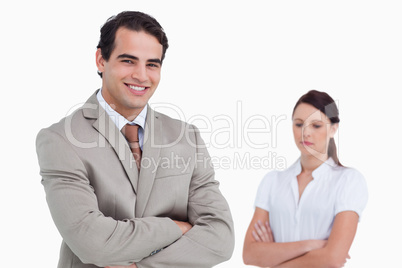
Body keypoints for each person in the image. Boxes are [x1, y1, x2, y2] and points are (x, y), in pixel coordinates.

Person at [36, 11, 234, 268]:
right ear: (101, 60)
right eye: (128, 61)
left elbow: (221, 238)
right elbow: (93, 243)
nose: (142, 76)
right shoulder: (61, 140)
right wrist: (176, 227)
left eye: (152, 64)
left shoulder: (187, 137)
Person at [243, 90, 368, 267]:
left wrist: (273, 257)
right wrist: (311, 245)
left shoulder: (349, 181)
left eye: (316, 125)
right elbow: (249, 254)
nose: (305, 133)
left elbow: (333, 258)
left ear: (333, 128)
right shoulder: (272, 181)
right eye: (299, 124)